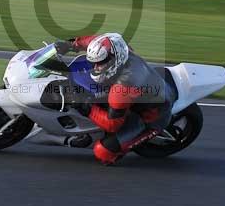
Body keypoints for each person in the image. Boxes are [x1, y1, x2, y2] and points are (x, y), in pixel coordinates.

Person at [55, 33, 176, 165]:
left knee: (102, 152)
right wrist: (71, 44)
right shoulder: (119, 48)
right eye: (94, 63)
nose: (95, 68)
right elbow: (96, 42)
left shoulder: (122, 88)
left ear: (114, 60)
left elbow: (112, 125)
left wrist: (85, 107)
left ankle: (118, 152)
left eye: (100, 63)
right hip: (147, 89)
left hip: (151, 116)